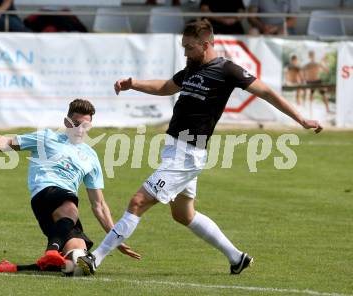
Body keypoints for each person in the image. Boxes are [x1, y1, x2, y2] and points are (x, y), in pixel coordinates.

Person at [77, 19, 322, 276]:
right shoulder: (192, 68)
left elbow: (267, 92)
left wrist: (301, 119)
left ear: (206, 45)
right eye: (183, 47)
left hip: (187, 154)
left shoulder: (228, 70)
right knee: (183, 215)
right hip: (175, 150)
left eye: (189, 47)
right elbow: (165, 87)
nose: (185, 52)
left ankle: (95, 258)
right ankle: (236, 257)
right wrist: (133, 84)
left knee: (138, 201)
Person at [0, 99, 140, 274]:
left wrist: (114, 237)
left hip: (63, 215)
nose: (81, 130)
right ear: (66, 122)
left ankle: (16, 268)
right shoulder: (47, 138)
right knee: (71, 206)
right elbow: (6, 143)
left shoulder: (91, 156)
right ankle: (52, 251)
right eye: (77, 124)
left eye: (86, 126)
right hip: (46, 193)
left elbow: (99, 205)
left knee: (77, 265)